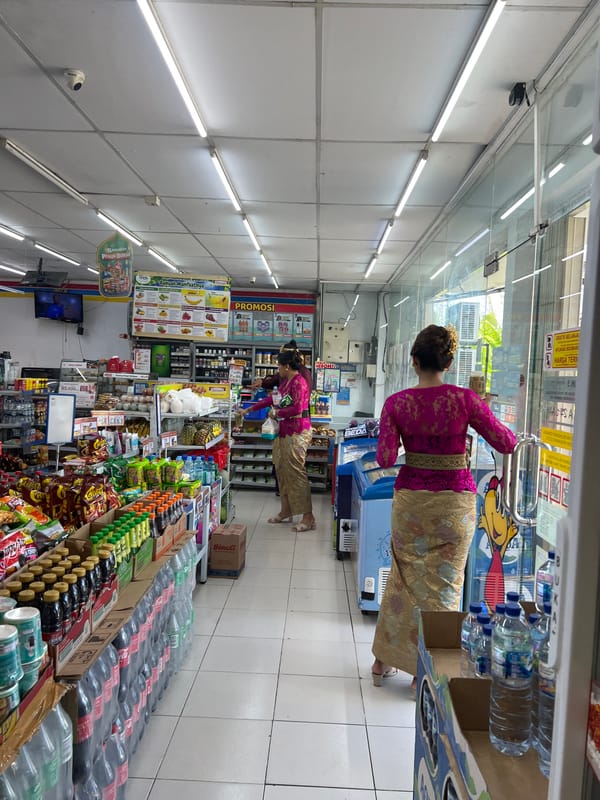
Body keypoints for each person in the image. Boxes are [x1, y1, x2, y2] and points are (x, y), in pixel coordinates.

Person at [370, 324, 517, 690]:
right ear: (449, 363)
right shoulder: (465, 400)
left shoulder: (397, 403)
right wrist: (483, 411)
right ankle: (426, 670)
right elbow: (507, 442)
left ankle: (382, 661)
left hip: (411, 503)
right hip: (455, 504)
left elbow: (385, 457)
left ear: (414, 361)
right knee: (445, 587)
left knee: (402, 580)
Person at [241, 348, 316, 532]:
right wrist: (250, 409)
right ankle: (286, 510)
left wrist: (277, 412)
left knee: (296, 472)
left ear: (287, 366)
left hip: (298, 430)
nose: (278, 370)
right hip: (284, 430)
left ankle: (308, 517)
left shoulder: (299, 383)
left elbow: (297, 409)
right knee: (281, 469)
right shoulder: (286, 382)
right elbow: (271, 399)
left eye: (279, 366)